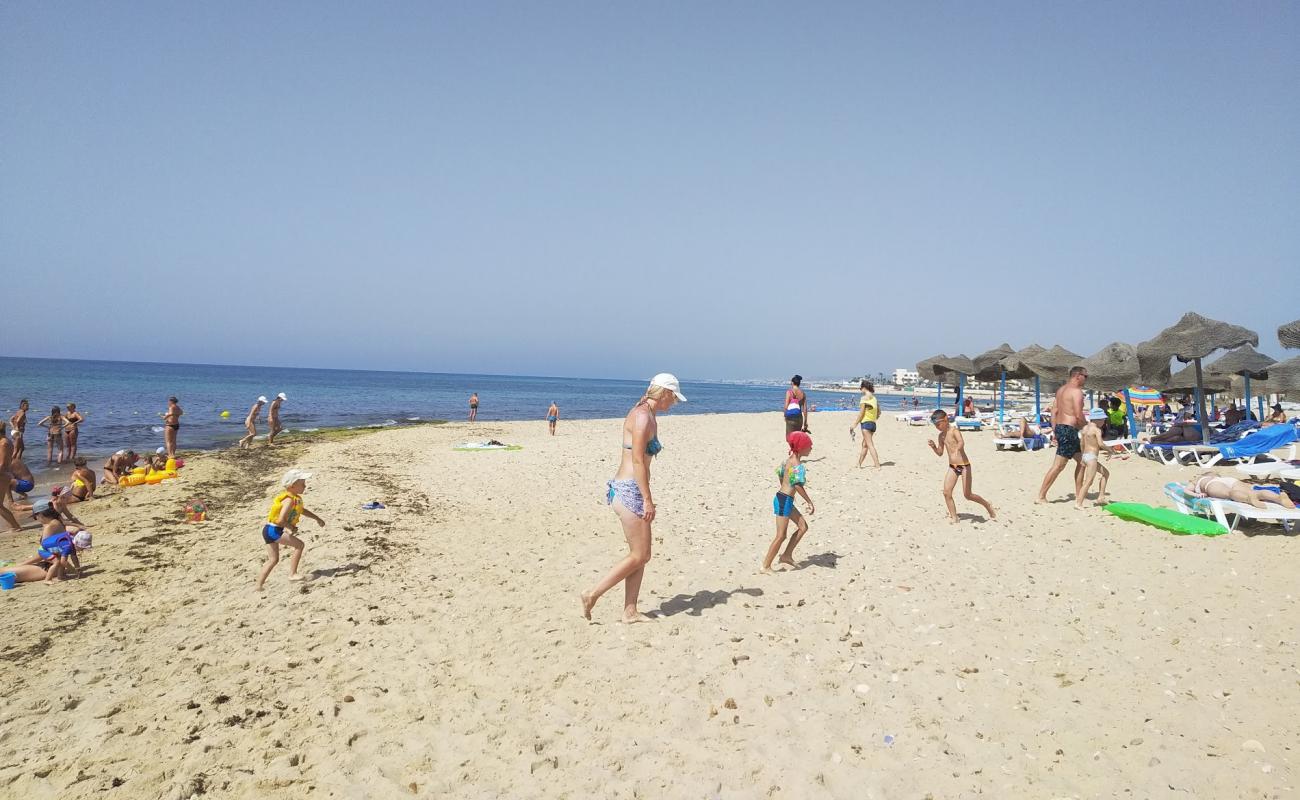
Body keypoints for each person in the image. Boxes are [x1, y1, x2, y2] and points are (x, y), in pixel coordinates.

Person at [581, 373, 685, 623]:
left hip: (635, 488)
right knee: (639, 555)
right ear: (665, 393)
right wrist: (647, 499)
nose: (674, 404)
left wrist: (647, 494)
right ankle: (592, 594)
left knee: (642, 554)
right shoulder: (641, 417)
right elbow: (638, 460)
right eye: (673, 398)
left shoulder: (647, 413)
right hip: (629, 489)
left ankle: (630, 610)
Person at [256, 468, 326, 590]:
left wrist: (317, 518)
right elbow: (280, 520)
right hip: (273, 530)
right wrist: (291, 527)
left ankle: (258, 586)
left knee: (273, 560)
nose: (305, 486)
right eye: (302, 484)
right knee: (299, 545)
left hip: (268, 530)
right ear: (293, 486)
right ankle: (292, 574)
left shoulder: (295, 499)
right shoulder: (288, 500)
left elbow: (301, 510)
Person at [928, 410, 996, 524]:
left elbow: (961, 442)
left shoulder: (954, 431)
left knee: (968, 495)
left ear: (945, 420)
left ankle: (987, 505)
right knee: (946, 492)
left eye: (938, 424)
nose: (937, 427)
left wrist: (958, 449)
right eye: (935, 425)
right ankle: (954, 518)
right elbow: (940, 453)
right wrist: (934, 447)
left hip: (964, 466)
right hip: (953, 467)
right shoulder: (941, 436)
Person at [762, 431, 815, 572]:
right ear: (802, 447)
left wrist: (785, 488)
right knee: (781, 536)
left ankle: (786, 555)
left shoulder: (787, 460)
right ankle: (766, 566)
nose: (811, 448)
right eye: (809, 446)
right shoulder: (797, 464)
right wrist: (809, 501)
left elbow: (780, 474)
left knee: (803, 527)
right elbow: (797, 484)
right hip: (783, 501)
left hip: (784, 498)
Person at [1036, 366, 1088, 504]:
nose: (1086, 379)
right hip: (1069, 429)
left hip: (1061, 428)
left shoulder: (1061, 390)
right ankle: (1041, 496)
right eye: (1085, 376)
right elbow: (1078, 414)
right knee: (1058, 465)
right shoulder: (1077, 392)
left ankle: (1079, 494)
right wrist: (1088, 427)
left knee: (1082, 462)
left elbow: (1054, 412)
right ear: (1078, 376)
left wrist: (1055, 430)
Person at [1185, 472, 1296, 510]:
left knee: (1229, 493)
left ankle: (1248, 499)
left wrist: (1197, 493)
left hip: (1211, 485)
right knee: (1254, 491)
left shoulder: (1197, 480)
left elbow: (1186, 490)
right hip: (1230, 480)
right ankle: (1278, 498)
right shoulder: (1213, 476)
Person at [1076, 410, 1112, 509]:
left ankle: (1101, 497)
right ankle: (1078, 503)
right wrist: (1110, 450)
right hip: (1092, 457)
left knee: (1106, 473)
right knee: (1088, 481)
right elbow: (1100, 444)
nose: (1104, 422)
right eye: (1103, 420)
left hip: (1086, 456)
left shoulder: (1084, 428)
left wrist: (1083, 457)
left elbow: (1082, 444)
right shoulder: (1097, 430)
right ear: (1097, 419)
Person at [850, 380, 881, 469]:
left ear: (864, 388)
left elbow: (861, 413)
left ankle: (877, 465)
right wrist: (874, 418)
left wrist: (854, 424)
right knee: (865, 445)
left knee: (870, 445)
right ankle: (859, 464)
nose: (861, 391)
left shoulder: (864, 398)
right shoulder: (874, 398)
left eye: (861, 388)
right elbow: (879, 412)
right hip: (873, 424)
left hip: (866, 424)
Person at [0, 421, 21, 533]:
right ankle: (15, 525)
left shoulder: (4, 443)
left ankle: (16, 526)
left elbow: (2, 464)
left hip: (2, 475)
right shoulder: (4, 441)